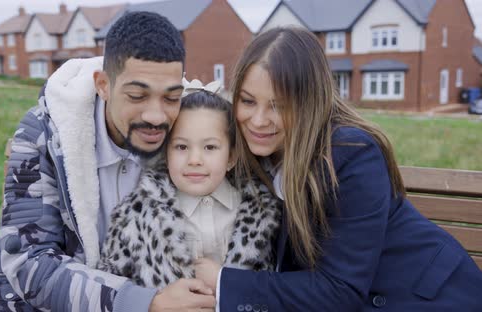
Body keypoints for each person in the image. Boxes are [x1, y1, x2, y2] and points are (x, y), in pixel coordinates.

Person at [0, 12, 217, 312]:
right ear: (103, 85)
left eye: (171, 97)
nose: (156, 116)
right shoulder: (45, 132)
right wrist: (144, 303)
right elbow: (30, 262)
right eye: (137, 96)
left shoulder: (193, 127)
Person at [195, 26, 482, 311]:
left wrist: (223, 283)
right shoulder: (251, 150)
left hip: (427, 297)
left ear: (310, 102)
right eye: (247, 101)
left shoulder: (351, 154)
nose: (258, 120)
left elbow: (340, 290)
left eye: (278, 106)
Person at [96, 80, 281, 289]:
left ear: (231, 157)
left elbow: (274, 288)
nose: (194, 159)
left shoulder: (262, 215)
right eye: (181, 146)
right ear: (166, 153)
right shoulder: (137, 217)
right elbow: (110, 287)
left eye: (210, 147)